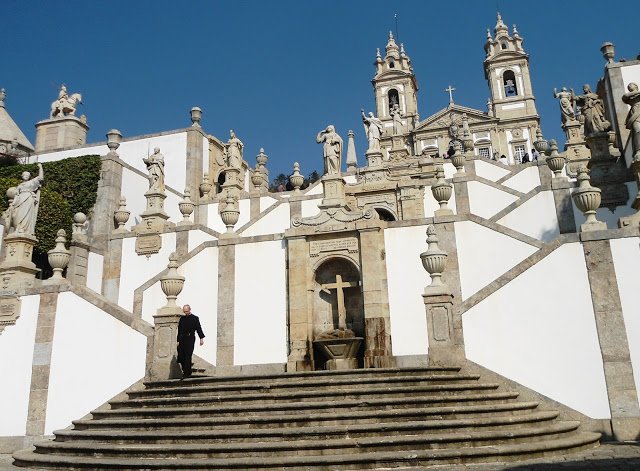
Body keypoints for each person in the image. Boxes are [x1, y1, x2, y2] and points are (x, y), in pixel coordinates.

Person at [8, 163, 44, 236]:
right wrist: (13, 204)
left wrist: (40, 168)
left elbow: (41, 178)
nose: (26, 176)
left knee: (25, 214)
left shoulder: (32, 182)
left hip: (28, 198)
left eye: (27, 175)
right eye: (25, 175)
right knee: (16, 215)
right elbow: (16, 195)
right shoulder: (20, 185)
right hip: (20, 200)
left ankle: (23, 229)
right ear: (22, 176)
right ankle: (17, 228)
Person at [176, 304, 205, 378]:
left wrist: (201, 338)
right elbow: (179, 330)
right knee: (181, 356)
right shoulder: (182, 319)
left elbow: (199, 328)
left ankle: (187, 372)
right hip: (182, 339)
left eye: (187, 311)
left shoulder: (195, 318)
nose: (185, 313)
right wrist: (178, 340)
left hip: (190, 338)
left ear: (190, 310)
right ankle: (185, 370)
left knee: (188, 355)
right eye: (184, 311)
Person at [623, 82, 640, 161]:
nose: (629, 87)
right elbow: (625, 97)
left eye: (630, 85)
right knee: (637, 130)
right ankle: (638, 150)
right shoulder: (629, 96)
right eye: (628, 86)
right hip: (635, 112)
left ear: (636, 86)